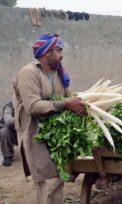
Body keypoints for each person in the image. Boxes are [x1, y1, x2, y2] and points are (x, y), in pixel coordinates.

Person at [13, 34, 86, 204]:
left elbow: (69, 98)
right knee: (49, 182)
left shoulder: (60, 73)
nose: (62, 54)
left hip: (56, 135)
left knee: (57, 180)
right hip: (35, 135)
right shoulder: (28, 73)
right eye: (59, 50)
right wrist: (66, 104)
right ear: (47, 52)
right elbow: (33, 106)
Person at [0, 100, 17, 167]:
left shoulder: (28, 102)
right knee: (5, 131)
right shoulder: (9, 105)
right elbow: (8, 121)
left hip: (25, 132)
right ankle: (7, 156)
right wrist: (21, 117)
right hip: (13, 133)